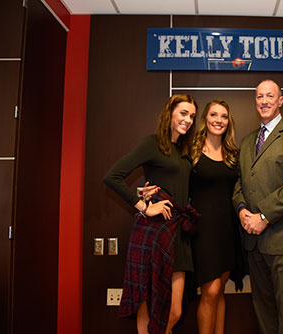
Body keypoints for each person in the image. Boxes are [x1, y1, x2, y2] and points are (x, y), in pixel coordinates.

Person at [103, 94, 199, 334]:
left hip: (179, 232)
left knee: (174, 311)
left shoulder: (183, 151)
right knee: (151, 304)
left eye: (192, 116)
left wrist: (148, 192)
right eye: (183, 113)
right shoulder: (153, 143)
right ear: (170, 114)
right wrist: (144, 205)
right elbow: (112, 177)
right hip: (156, 231)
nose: (188, 120)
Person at [233, 79, 283, 334]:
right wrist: (243, 210)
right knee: (263, 308)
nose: (264, 101)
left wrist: (264, 216)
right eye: (259, 96)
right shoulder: (247, 142)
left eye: (270, 96)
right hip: (253, 242)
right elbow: (239, 182)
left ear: (280, 101)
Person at [189, 99, 241, 334]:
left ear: (228, 122)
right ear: (205, 119)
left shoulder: (233, 155)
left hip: (227, 229)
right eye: (214, 115)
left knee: (220, 289)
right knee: (209, 291)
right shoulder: (191, 153)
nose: (219, 120)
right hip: (203, 230)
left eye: (223, 116)